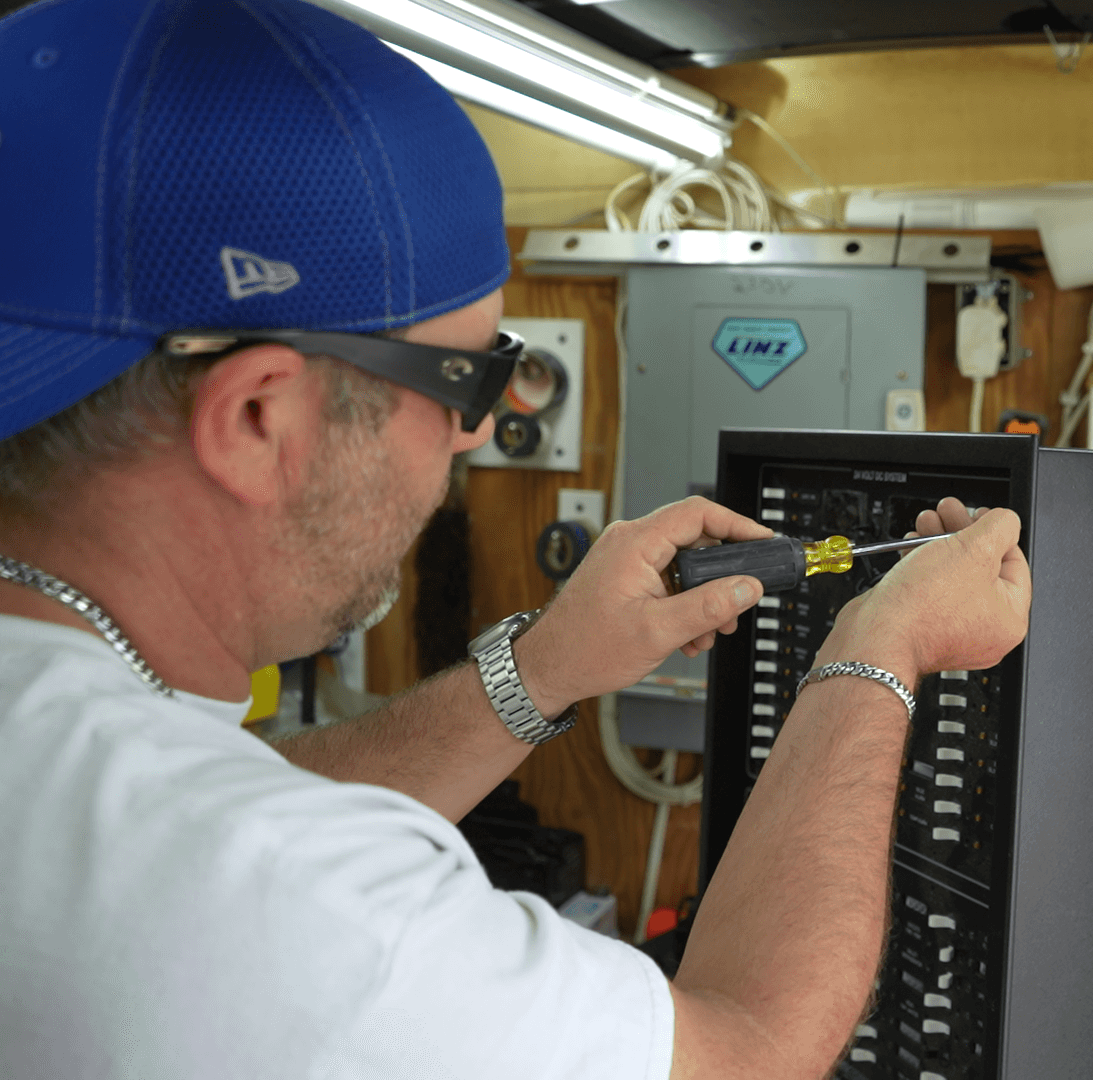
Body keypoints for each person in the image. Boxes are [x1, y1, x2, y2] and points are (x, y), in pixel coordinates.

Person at [0, 0, 1032, 1077]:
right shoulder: (297, 906)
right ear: (258, 416)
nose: (485, 427)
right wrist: (880, 652)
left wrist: (546, 666)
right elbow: (753, 1055)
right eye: (465, 378)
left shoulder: (95, 762)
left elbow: (227, 798)